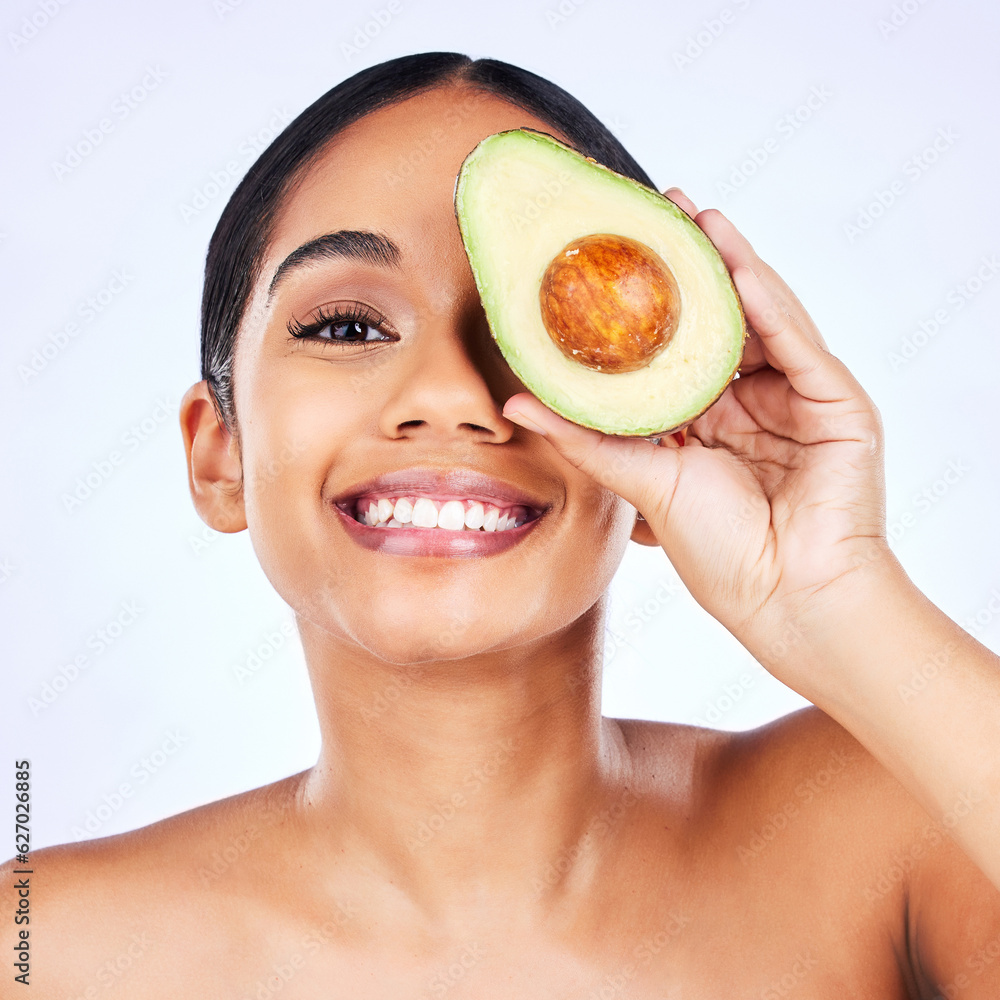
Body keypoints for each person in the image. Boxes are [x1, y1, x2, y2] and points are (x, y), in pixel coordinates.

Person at [5, 51, 1000, 998]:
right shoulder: (44, 951)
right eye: (348, 325)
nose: (447, 394)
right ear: (218, 452)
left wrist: (834, 596)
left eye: (538, 327)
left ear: (664, 421)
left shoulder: (900, 824)